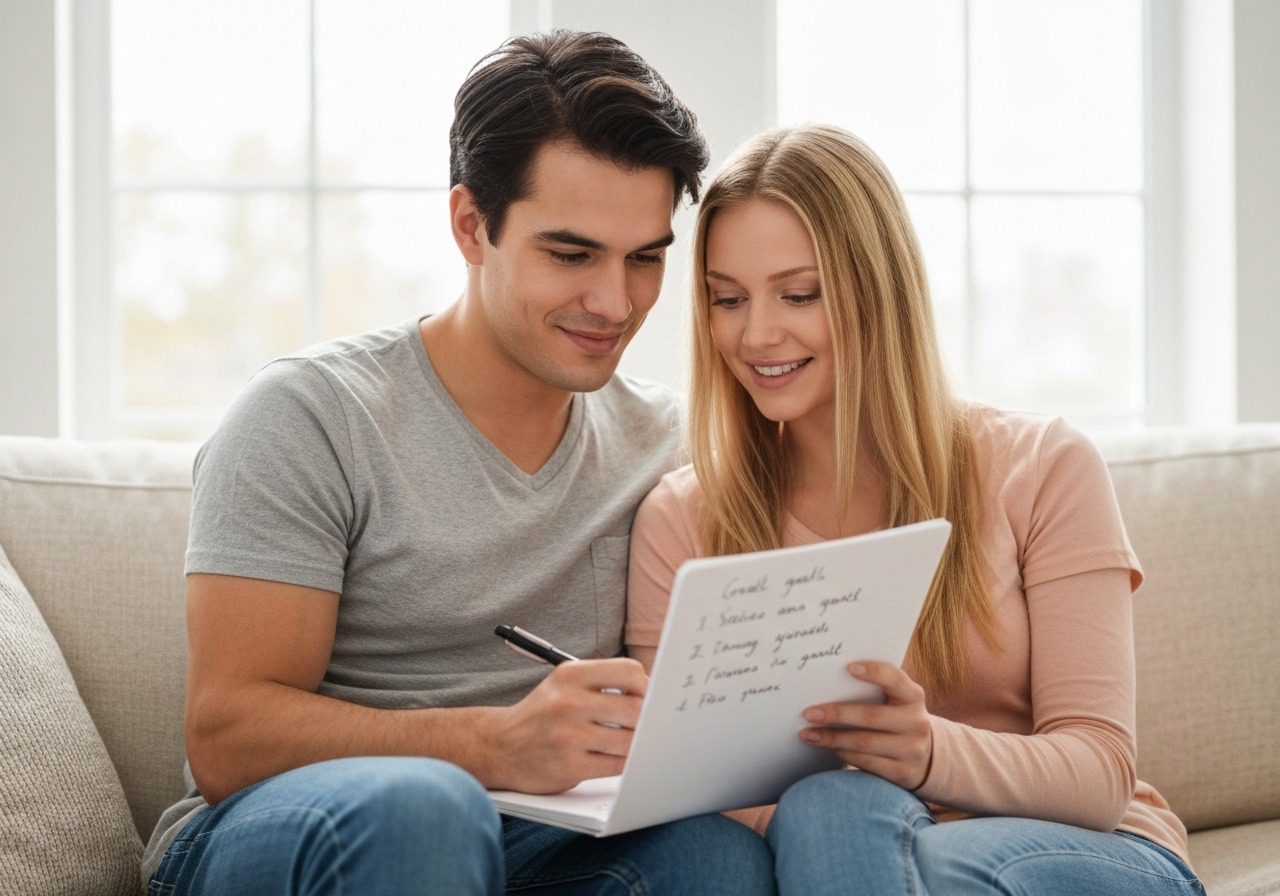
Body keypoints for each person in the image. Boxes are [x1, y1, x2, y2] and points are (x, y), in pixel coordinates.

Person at [144, 29, 779, 896]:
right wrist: (492, 744)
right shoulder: (311, 417)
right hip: (295, 827)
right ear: (471, 225)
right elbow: (226, 737)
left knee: (716, 857)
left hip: (549, 836)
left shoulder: (671, 445)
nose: (615, 302)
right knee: (425, 811)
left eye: (646, 259)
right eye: (571, 254)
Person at [625, 123, 1205, 895]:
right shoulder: (683, 519)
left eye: (799, 294)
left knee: (865, 830)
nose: (756, 333)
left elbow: (1099, 773)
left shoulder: (1043, 468)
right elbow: (686, 786)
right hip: (836, 850)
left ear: (879, 288)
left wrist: (925, 753)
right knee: (837, 811)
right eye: (727, 299)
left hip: (1081, 852)